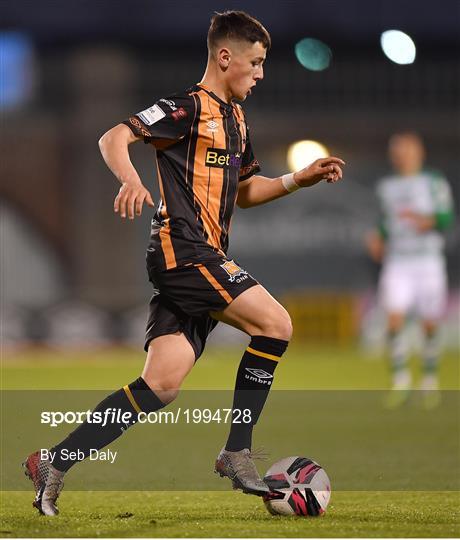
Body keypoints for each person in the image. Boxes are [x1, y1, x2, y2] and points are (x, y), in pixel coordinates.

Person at [24, 11, 345, 516]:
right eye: (255, 63)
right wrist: (130, 178)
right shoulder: (186, 108)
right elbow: (114, 137)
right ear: (225, 57)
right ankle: (237, 450)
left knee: (161, 385)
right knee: (276, 324)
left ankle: (54, 461)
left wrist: (296, 179)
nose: (260, 74)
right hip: (183, 253)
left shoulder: (237, 119)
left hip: (201, 257)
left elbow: (244, 191)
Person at [366, 132, 454, 406]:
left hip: (428, 261)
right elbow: (384, 221)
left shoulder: (433, 182)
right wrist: (377, 238)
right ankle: (401, 380)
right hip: (398, 262)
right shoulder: (386, 186)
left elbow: (445, 218)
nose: (401, 155)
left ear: (419, 152)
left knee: (429, 323)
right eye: (397, 150)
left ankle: (429, 380)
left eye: (406, 149)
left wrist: (421, 219)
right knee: (394, 319)